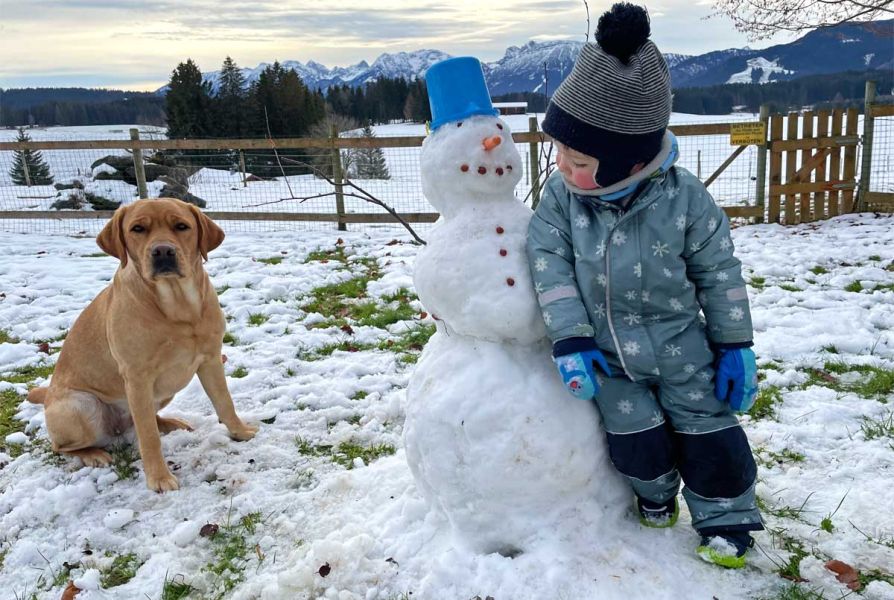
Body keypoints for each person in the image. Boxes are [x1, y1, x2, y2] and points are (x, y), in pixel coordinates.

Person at [526, 2, 763, 569]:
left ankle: (726, 521)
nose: (562, 165)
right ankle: (654, 496)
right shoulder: (562, 200)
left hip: (685, 350)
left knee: (711, 434)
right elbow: (547, 261)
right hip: (609, 359)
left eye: (578, 159)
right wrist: (572, 339)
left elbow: (719, 273)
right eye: (558, 150)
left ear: (629, 163)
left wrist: (734, 344)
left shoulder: (685, 200)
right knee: (635, 438)